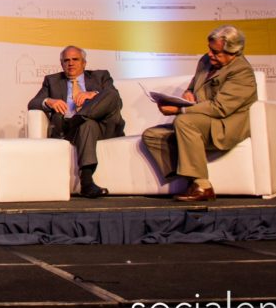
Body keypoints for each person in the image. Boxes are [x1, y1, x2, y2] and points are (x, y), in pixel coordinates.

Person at [141, 25, 258, 202]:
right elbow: (193, 86)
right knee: (152, 135)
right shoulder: (206, 61)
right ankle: (190, 178)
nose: (210, 54)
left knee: (184, 121)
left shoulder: (241, 72)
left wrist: (180, 109)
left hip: (225, 125)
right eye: (210, 49)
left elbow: (220, 108)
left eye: (215, 52)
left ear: (232, 52)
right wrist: (188, 93)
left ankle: (203, 186)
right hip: (201, 120)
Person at [27, 45, 125, 198]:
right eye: (66, 60)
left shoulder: (101, 76)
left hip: (104, 127)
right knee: (87, 124)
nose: (71, 63)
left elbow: (115, 100)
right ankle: (87, 182)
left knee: (111, 95)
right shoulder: (52, 81)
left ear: (84, 63)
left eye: (75, 59)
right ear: (61, 64)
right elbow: (32, 103)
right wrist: (49, 101)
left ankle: (78, 118)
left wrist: (93, 94)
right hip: (74, 130)